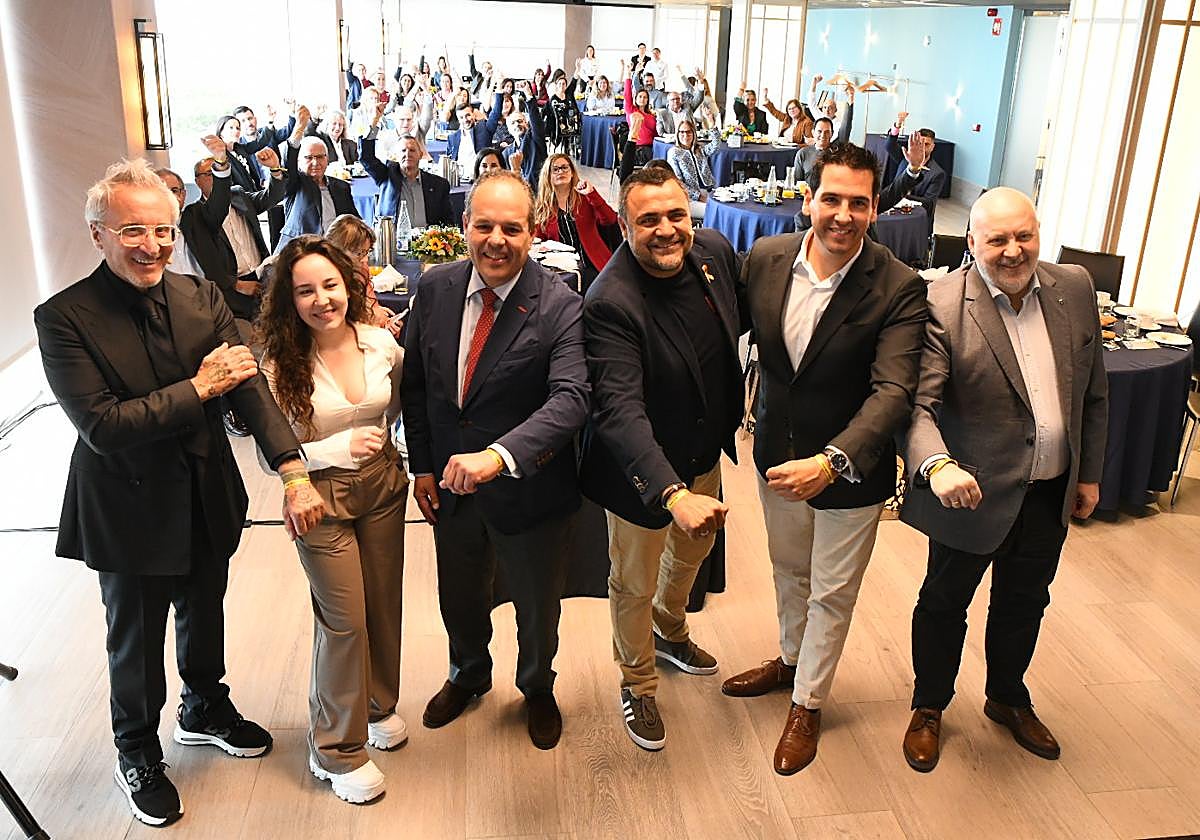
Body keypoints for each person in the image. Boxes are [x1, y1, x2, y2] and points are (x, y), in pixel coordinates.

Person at [34, 159, 325, 828]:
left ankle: (203, 706)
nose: (152, 245)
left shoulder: (202, 297)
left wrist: (290, 465)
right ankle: (135, 748)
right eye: (132, 230)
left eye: (163, 230)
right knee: (134, 636)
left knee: (204, 606)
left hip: (204, 487)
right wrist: (198, 388)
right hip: (125, 504)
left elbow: (247, 386)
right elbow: (104, 427)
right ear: (97, 234)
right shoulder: (63, 318)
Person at [723, 143, 927, 776]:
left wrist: (833, 462)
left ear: (875, 208)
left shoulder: (898, 285)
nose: (843, 215)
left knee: (832, 594)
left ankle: (808, 702)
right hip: (776, 459)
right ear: (805, 199)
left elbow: (892, 391)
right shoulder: (766, 258)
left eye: (859, 203)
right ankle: (790, 660)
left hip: (851, 474)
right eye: (831, 199)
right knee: (789, 573)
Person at [898, 187, 1107, 773]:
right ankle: (929, 706)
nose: (1014, 251)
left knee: (1025, 601)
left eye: (1025, 236)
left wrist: (1087, 474)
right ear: (971, 242)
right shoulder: (939, 302)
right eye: (997, 240)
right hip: (970, 493)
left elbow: (1093, 391)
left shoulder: (1074, 286)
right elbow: (920, 406)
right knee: (944, 603)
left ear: (1039, 232)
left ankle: (1007, 696)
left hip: (1050, 489)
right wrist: (937, 465)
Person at [401, 170, 590, 750]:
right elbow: (417, 385)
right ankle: (468, 674)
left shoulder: (559, 305)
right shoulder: (434, 289)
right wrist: (423, 466)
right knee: (459, 594)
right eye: (484, 225)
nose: (496, 240)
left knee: (536, 608)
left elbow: (572, 399)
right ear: (464, 227)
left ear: (533, 232)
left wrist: (498, 456)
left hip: (531, 491)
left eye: (511, 228)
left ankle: (536, 688)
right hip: (451, 490)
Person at [580, 164, 745, 752]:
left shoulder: (714, 253)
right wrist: (672, 494)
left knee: (694, 552)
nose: (667, 229)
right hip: (640, 473)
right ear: (624, 226)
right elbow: (619, 411)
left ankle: (670, 628)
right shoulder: (610, 303)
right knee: (633, 579)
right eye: (648, 219)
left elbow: (740, 322)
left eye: (677, 215)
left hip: (702, 452)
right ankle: (638, 682)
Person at [258, 235, 408, 804]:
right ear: (288, 301)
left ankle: (375, 706)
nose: (322, 300)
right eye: (304, 291)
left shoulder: (380, 345)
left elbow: (393, 411)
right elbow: (272, 445)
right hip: (317, 499)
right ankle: (335, 749)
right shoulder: (278, 365)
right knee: (343, 619)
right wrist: (330, 451)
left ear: (349, 285)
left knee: (382, 604)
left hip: (383, 489)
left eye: (329, 285)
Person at [180, 135, 285, 322]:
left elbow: (271, 197)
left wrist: (275, 170)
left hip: (262, 277)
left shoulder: (238, 195)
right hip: (233, 289)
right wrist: (236, 285)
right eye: (211, 173)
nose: (219, 178)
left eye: (221, 171)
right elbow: (207, 259)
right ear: (197, 181)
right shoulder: (194, 213)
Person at [276, 107, 359, 253]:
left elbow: (354, 220)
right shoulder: (295, 184)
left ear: (327, 159)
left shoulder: (341, 186)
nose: (316, 163)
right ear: (299, 161)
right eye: (309, 158)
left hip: (335, 252)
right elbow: (288, 164)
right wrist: (299, 128)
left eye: (320, 157)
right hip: (300, 253)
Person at [533, 153, 618, 292]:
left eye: (565, 167)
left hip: (591, 263)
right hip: (562, 269)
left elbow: (610, 219)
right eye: (555, 169)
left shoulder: (585, 198)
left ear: (572, 172)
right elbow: (538, 243)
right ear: (548, 176)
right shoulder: (543, 207)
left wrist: (592, 195)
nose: (561, 171)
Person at [326, 214, 402, 337]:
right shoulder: (325, 280)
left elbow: (374, 307)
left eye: (367, 252)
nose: (365, 259)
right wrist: (370, 319)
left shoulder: (362, 270)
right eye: (359, 253)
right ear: (337, 250)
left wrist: (387, 324)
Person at [361, 132, 455, 227]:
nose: (407, 154)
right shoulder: (386, 176)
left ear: (421, 154)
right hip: (393, 238)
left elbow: (448, 222)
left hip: (427, 239)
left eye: (412, 150)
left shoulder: (439, 184)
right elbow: (366, 157)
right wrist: (373, 124)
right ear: (395, 155)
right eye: (403, 150)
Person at [154, 168, 204, 279]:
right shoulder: (148, 233)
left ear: (183, 195)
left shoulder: (197, 220)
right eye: (162, 192)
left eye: (174, 191)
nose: (169, 197)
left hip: (203, 290)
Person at [886, 111, 946, 201]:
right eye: (920, 143)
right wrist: (897, 125)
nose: (922, 148)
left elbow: (928, 202)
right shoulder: (905, 159)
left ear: (933, 147)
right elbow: (890, 145)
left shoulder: (937, 173)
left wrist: (900, 195)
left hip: (916, 213)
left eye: (926, 144)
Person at [666, 119, 719, 218]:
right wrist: (698, 196)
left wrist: (712, 126)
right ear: (677, 134)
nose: (685, 135)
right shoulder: (674, 153)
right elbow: (678, 183)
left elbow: (715, 146)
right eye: (682, 132)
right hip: (689, 198)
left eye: (689, 132)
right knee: (715, 212)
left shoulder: (699, 149)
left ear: (694, 133)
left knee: (724, 206)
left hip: (707, 191)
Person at [621, 62, 658, 183]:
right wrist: (628, 74)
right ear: (636, 99)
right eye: (640, 97)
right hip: (638, 149)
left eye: (645, 97)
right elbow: (627, 95)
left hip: (651, 147)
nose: (642, 99)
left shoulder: (651, 115)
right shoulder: (631, 111)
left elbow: (655, 134)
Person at [447, 94, 502, 175]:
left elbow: (495, 114)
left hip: (480, 177)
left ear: (474, 114)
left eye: (468, 115)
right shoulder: (452, 137)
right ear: (458, 120)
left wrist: (499, 92)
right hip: (458, 179)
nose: (465, 120)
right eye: (461, 118)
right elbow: (449, 160)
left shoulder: (484, 129)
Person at [504, 85, 547, 186]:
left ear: (526, 124)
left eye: (520, 121)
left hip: (540, 192)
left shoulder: (535, 139)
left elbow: (536, 121)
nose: (517, 124)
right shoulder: (507, 153)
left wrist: (529, 95)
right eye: (513, 123)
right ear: (509, 130)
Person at [542, 65, 582, 158]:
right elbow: (545, 113)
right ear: (556, 85)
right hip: (556, 127)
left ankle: (569, 152)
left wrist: (577, 69)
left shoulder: (568, 94)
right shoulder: (552, 99)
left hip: (569, 126)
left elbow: (574, 81)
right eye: (560, 84)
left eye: (564, 84)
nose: (562, 86)